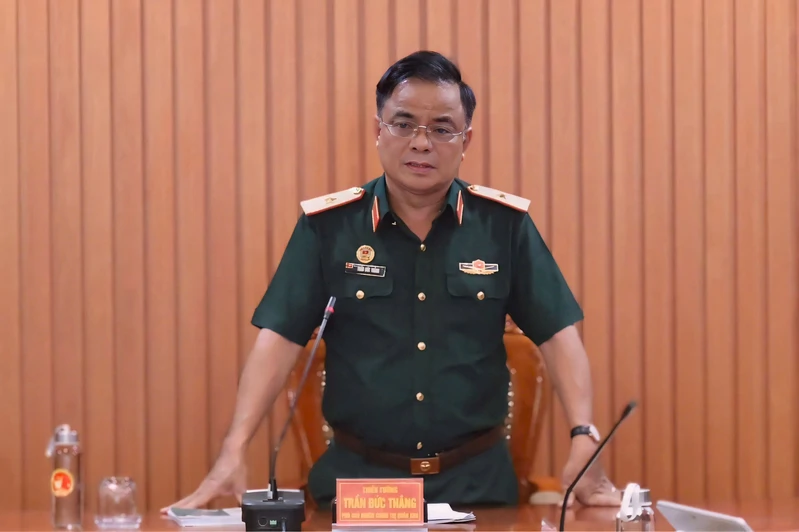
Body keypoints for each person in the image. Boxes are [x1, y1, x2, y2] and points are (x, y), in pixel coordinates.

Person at [162, 50, 619, 512]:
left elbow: (558, 334)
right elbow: (278, 339)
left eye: (441, 129)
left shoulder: (503, 226)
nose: (421, 143)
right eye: (403, 124)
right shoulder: (330, 227)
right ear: (378, 130)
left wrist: (584, 433)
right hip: (359, 488)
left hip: (476, 488)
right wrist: (234, 448)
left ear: (466, 140)